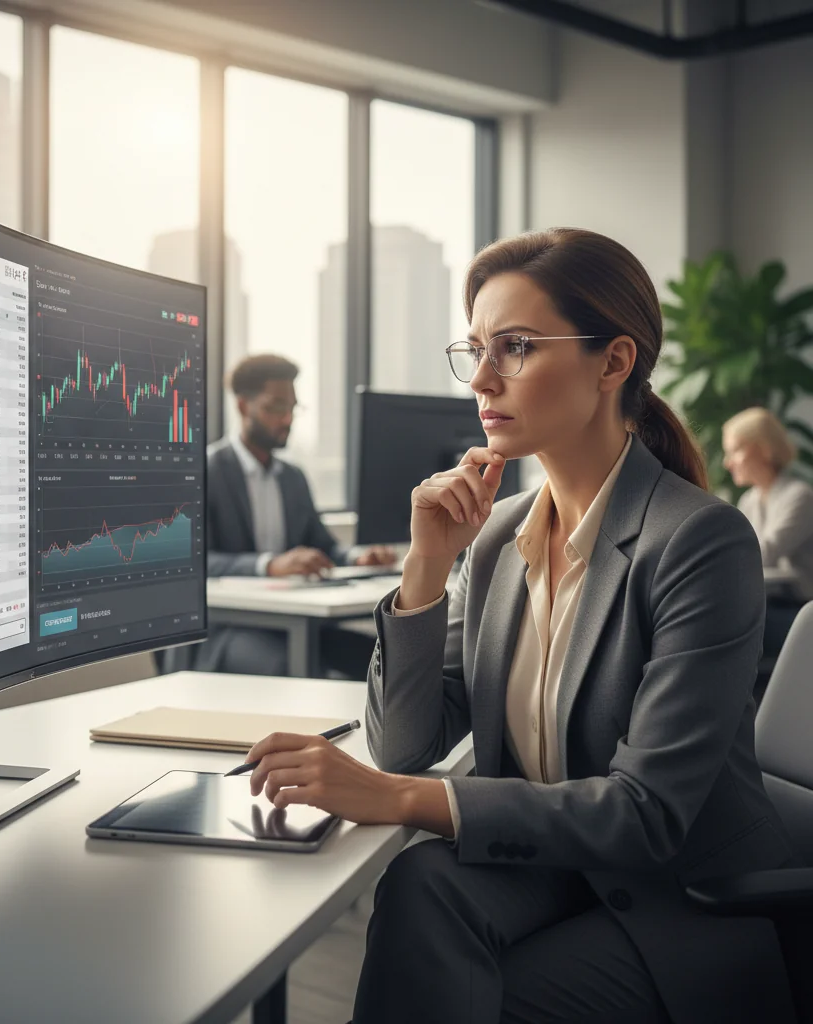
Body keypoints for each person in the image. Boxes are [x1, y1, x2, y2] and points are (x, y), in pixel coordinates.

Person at [241, 229, 799, 1024]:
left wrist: (400, 799)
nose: (481, 379)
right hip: (558, 873)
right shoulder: (500, 537)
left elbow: (645, 814)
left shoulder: (700, 541)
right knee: (420, 883)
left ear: (614, 363)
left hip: (683, 902)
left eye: (516, 348)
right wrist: (426, 564)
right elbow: (406, 743)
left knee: (469, 995)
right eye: (474, 350)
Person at [199, 354, 394, 678]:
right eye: (276, 407)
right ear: (243, 406)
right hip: (228, 628)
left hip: (297, 623)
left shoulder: (292, 477)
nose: (287, 419)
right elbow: (197, 563)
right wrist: (269, 565)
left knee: (380, 661)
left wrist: (358, 557)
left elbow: (324, 547)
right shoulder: (207, 472)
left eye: (292, 408)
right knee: (292, 666)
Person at [723, 407, 813, 657]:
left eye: (735, 450)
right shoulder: (750, 500)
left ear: (764, 449)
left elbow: (760, 554)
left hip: (797, 611)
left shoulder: (799, 496)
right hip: (768, 605)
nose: (727, 462)